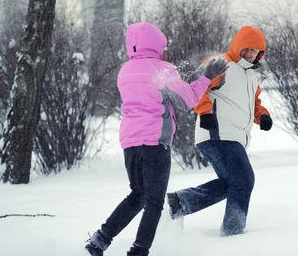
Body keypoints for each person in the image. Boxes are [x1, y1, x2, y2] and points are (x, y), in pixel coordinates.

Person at [85, 22, 228, 256]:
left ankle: (99, 240)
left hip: (131, 144)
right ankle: (139, 251)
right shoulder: (162, 69)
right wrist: (208, 76)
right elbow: (186, 101)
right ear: (156, 44)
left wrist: (193, 77)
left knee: (137, 195)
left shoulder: (126, 71)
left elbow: (165, 91)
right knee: (154, 201)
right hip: (155, 144)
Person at [166, 25, 273, 237]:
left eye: (254, 50)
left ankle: (180, 202)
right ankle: (233, 232)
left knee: (232, 183)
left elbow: (254, 101)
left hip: (234, 137)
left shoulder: (251, 75)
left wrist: (262, 116)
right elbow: (196, 87)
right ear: (238, 45)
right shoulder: (221, 64)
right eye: (246, 48)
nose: (249, 53)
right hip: (216, 133)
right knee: (244, 180)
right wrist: (204, 111)